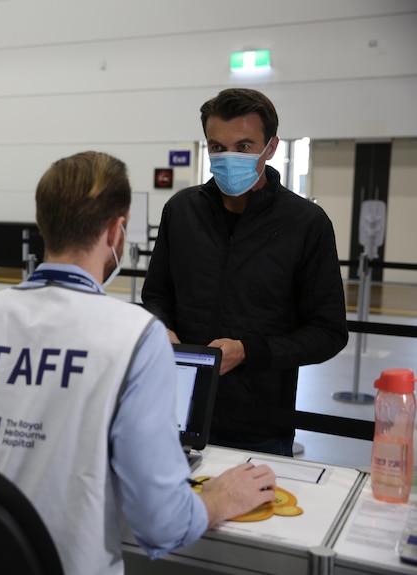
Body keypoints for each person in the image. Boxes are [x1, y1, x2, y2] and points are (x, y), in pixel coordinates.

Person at [0, 151, 277, 575]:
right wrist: (219, 498)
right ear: (116, 232)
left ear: (41, 225)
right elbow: (161, 524)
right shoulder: (135, 335)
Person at [142, 88, 348, 456]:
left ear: (271, 147)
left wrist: (248, 352)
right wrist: (163, 328)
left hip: (259, 423)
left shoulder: (305, 224)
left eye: (244, 146)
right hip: (176, 410)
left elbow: (328, 332)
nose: (228, 158)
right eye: (217, 148)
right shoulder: (182, 211)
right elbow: (157, 294)